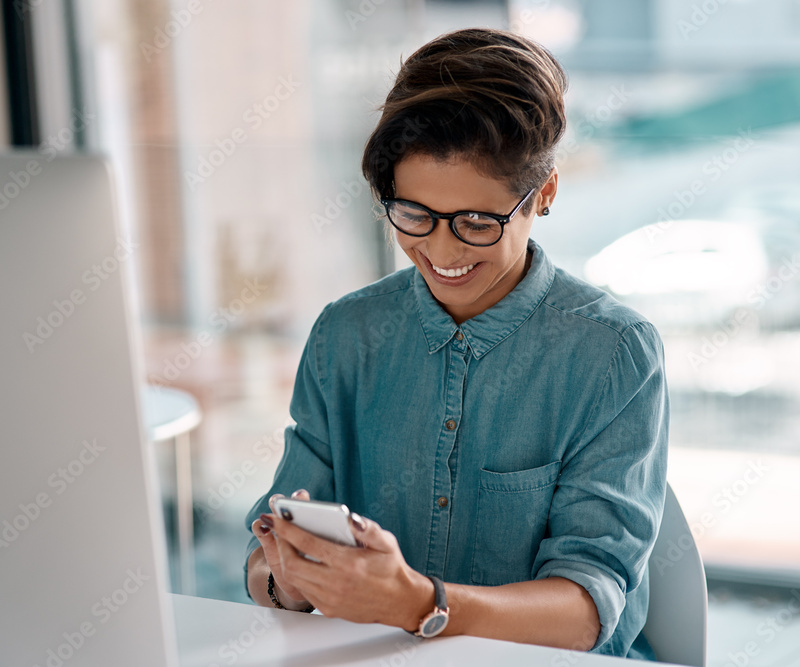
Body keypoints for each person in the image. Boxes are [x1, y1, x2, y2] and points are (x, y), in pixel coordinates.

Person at [243, 27, 668, 659]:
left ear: (543, 194)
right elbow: (266, 561)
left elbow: (587, 608)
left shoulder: (612, 354)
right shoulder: (347, 335)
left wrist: (416, 602)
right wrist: (288, 580)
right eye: (413, 214)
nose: (440, 252)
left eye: (476, 223)